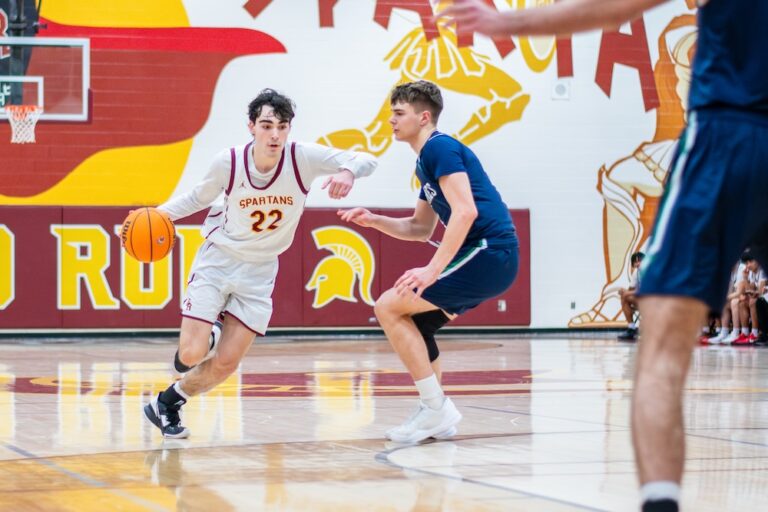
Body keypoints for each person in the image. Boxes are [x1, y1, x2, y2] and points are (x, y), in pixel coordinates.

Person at [437, 1, 768, 511]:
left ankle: (660, 503)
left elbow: (615, 10)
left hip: (728, 134)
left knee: (661, 340)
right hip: (730, 129)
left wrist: (508, 22)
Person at [143, 88, 378, 438]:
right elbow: (198, 197)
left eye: (282, 127)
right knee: (191, 354)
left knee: (225, 364)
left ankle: (167, 403)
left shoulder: (302, 158)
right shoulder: (230, 161)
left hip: (261, 270)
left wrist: (348, 172)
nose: (275, 135)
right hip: (219, 261)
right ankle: (210, 333)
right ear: (251, 126)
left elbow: (367, 159)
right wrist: (156, 215)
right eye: (267, 125)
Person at [339, 80, 519, 444]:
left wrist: (431, 269)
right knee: (415, 323)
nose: (390, 120)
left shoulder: (440, 147)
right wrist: (374, 220)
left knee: (388, 306)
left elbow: (466, 212)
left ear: (423, 117)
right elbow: (420, 228)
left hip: (490, 250)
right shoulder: (425, 164)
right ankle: (434, 412)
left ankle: (436, 407)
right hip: (487, 257)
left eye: (398, 113)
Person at [618, 251, 645, 341]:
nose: (637, 263)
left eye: (639, 261)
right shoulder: (636, 273)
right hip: (643, 301)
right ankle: (631, 328)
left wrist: (627, 292)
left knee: (626, 295)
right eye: (635, 262)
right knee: (624, 297)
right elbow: (631, 290)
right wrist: (623, 291)